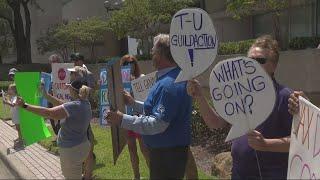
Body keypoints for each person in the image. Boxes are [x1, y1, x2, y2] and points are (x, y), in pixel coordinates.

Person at [187, 35, 293, 179]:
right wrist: (200, 96)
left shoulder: (285, 97)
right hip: (239, 173)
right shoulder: (238, 93)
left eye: (260, 60)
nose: (253, 65)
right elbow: (215, 123)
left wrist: (266, 144)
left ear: (273, 66)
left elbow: (298, 142)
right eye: (250, 60)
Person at [107, 34, 192, 179]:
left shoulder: (168, 85)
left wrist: (122, 119)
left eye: (153, 50)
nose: (151, 53)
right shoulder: (173, 78)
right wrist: (133, 103)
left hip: (167, 156)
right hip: (169, 153)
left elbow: (158, 124)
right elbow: (156, 110)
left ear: (160, 54)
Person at [15, 79, 92, 179]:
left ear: (73, 90)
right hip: (82, 145)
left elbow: (49, 113)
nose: (68, 88)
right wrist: (46, 95)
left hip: (71, 151)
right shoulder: (84, 103)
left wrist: (25, 105)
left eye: (69, 87)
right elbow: (62, 104)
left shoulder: (74, 106)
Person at [120, 54, 149, 180]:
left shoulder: (142, 78)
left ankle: (154, 175)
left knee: (145, 150)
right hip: (127, 119)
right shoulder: (120, 82)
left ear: (135, 64)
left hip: (140, 119)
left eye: (132, 62)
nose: (129, 65)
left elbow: (146, 100)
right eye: (126, 63)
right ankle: (136, 176)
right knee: (132, 149)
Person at [67, 65, 96, 180]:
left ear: (79, 75)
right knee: (86, 152)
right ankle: (86, 175)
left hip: (83, 127)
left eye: (73, 73)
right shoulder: (77, 87)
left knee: (87, 153)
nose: (71, 75)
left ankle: (87, 176)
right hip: (81, 127)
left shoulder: (82, 88)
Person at [2, 84, 23, 149]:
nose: (8, 90)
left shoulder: (15, 97)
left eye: (9, 89)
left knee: (18, 128)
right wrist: (7, 99)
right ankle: (20, 137)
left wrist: (6, 102)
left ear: (13, 90)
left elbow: (13, 105)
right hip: (15, 114)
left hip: (17, 115)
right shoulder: (14, 96)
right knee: (18, 127)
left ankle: (20, 139)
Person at [48, 54, 62, 140]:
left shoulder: (63, 72)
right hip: (50, 97)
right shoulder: (50, 74)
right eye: (52, 63)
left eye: (55, 62)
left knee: (59, 116)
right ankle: (57, 134)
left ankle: (60, 134)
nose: (53, 64)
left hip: (59, 98)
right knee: (51, 115)